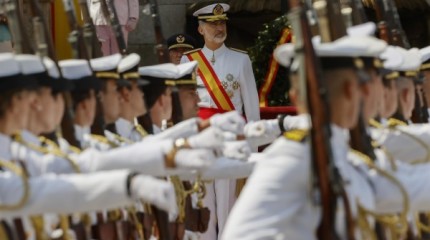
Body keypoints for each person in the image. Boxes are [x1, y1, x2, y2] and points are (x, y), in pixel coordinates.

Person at [181, 1, 259, 122]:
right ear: (201, 29)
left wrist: (254, 134)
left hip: (232, 131)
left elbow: (251, 103)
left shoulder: (241, 59)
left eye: (222, 23)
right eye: (213, 24)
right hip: (201, 131)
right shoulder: (188, 59)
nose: (220, 28)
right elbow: (183, 100)